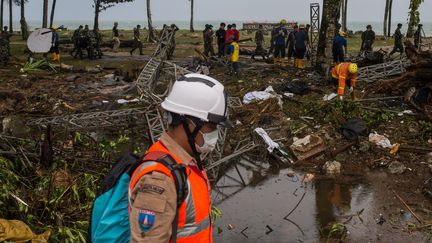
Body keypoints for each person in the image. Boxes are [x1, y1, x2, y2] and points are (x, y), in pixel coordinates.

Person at [128, 73, 231, 242]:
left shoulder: (184, 163)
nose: (215, 133)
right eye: (211, 126)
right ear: (189, 123)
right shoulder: (159, 180)